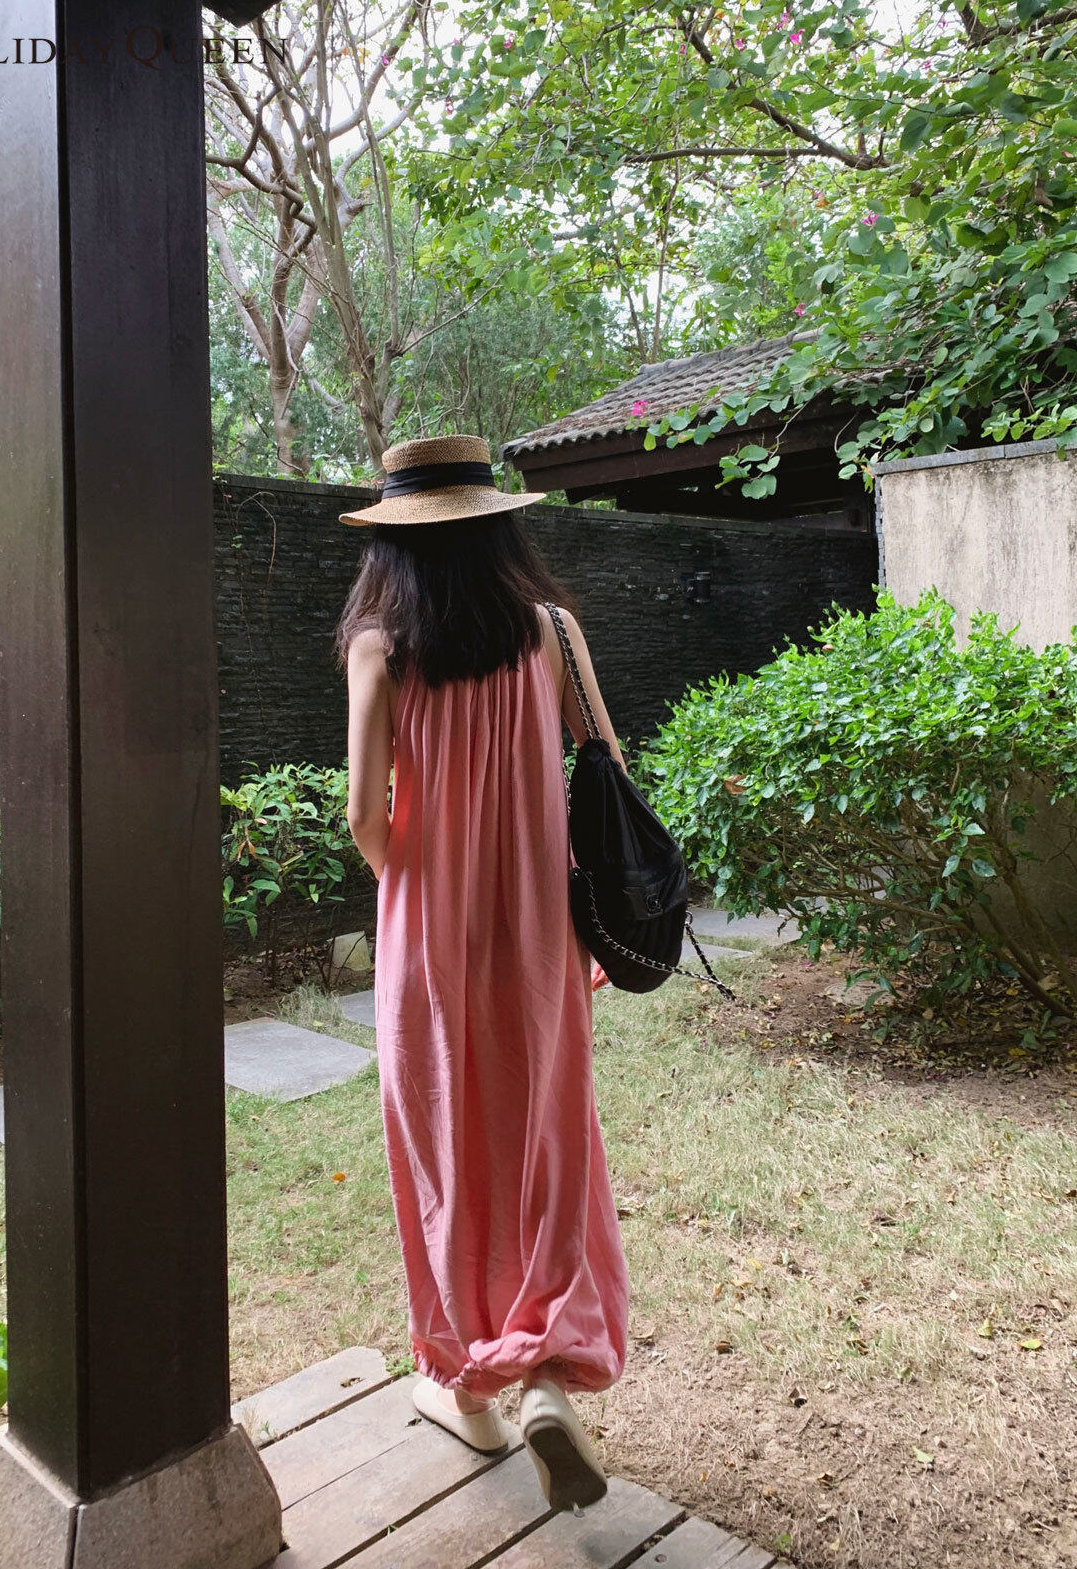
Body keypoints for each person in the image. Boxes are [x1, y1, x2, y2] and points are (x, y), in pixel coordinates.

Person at [335, 434, 630, 1512]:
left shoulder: (379, 645)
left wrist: (412, 884)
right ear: (498, 525)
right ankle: (546, 1371)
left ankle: (469, 1384)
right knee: (547, 1138)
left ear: (393, 541)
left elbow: (366, 816)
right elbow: (609, 769)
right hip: (540, 930)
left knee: (446, 1150)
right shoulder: (551, 631)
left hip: (428, 938)